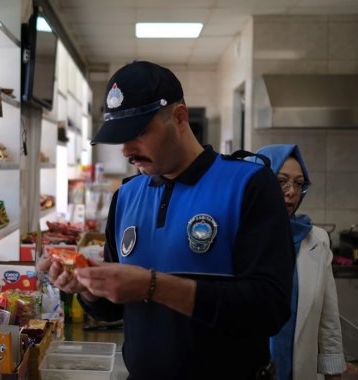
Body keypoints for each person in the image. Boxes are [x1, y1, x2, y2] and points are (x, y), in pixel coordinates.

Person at [37, 60, 295, 379]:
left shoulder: (249, 184)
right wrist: (86, 287)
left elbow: (269, 309)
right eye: (120, 137)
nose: (127, 151)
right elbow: (113, 309)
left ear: (180, 117)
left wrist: (152, 285)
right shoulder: (127, 196)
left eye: (140, 132)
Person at [253, 144, 346, 380]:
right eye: (281, 181)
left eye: (298, 183)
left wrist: (333, 373)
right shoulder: (236, 236)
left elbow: (329, 319)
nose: (291, 191)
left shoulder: (317, 240)